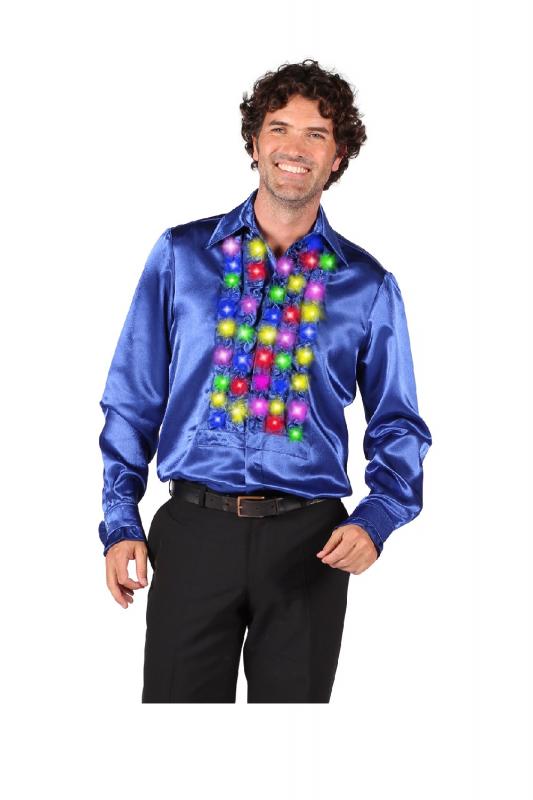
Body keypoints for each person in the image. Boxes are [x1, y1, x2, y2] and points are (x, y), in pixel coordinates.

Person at [98, 59, 432, 703]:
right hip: (193, 533)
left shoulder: (367, 284)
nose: (294, 148)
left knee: (293, 737)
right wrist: (120, 521)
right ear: (255, 143)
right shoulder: (181, 256)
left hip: (311, 546)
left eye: (316, 134)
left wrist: (378, 519)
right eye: (279, 128)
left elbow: (398, 422)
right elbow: (133, 397)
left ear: (337, 157)